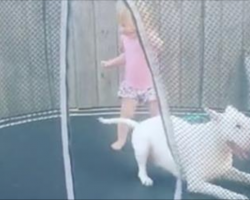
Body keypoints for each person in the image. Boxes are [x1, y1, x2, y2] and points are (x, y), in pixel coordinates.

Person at [101, 2, 163, 150]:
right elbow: (126, 56)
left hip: (150, 85)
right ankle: (121, 139)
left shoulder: (148, 37)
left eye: (125, 25)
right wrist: (111, 63)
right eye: (120, 25)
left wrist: (147, 34)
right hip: (131, 85)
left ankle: (160, 138)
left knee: (156, 115)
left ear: (139, 23)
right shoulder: (126, 39)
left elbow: (160, 47)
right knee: (125, 114)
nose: (122, 29)